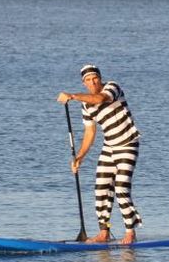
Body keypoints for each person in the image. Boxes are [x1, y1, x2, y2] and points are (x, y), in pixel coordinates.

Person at [57, 65, 142, 244]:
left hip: (128, 144)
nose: (93, 82)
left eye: (95, 78)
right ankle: (104, 232)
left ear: (100, 78)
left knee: (120, 188)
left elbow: (100, 98)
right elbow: (90, 133)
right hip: (109, 147)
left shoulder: (112, 87)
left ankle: (130, 232)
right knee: (101, 188)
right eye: (88, 80)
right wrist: (79, 157)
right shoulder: (86, 105)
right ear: (84, 83)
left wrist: (72, 96)